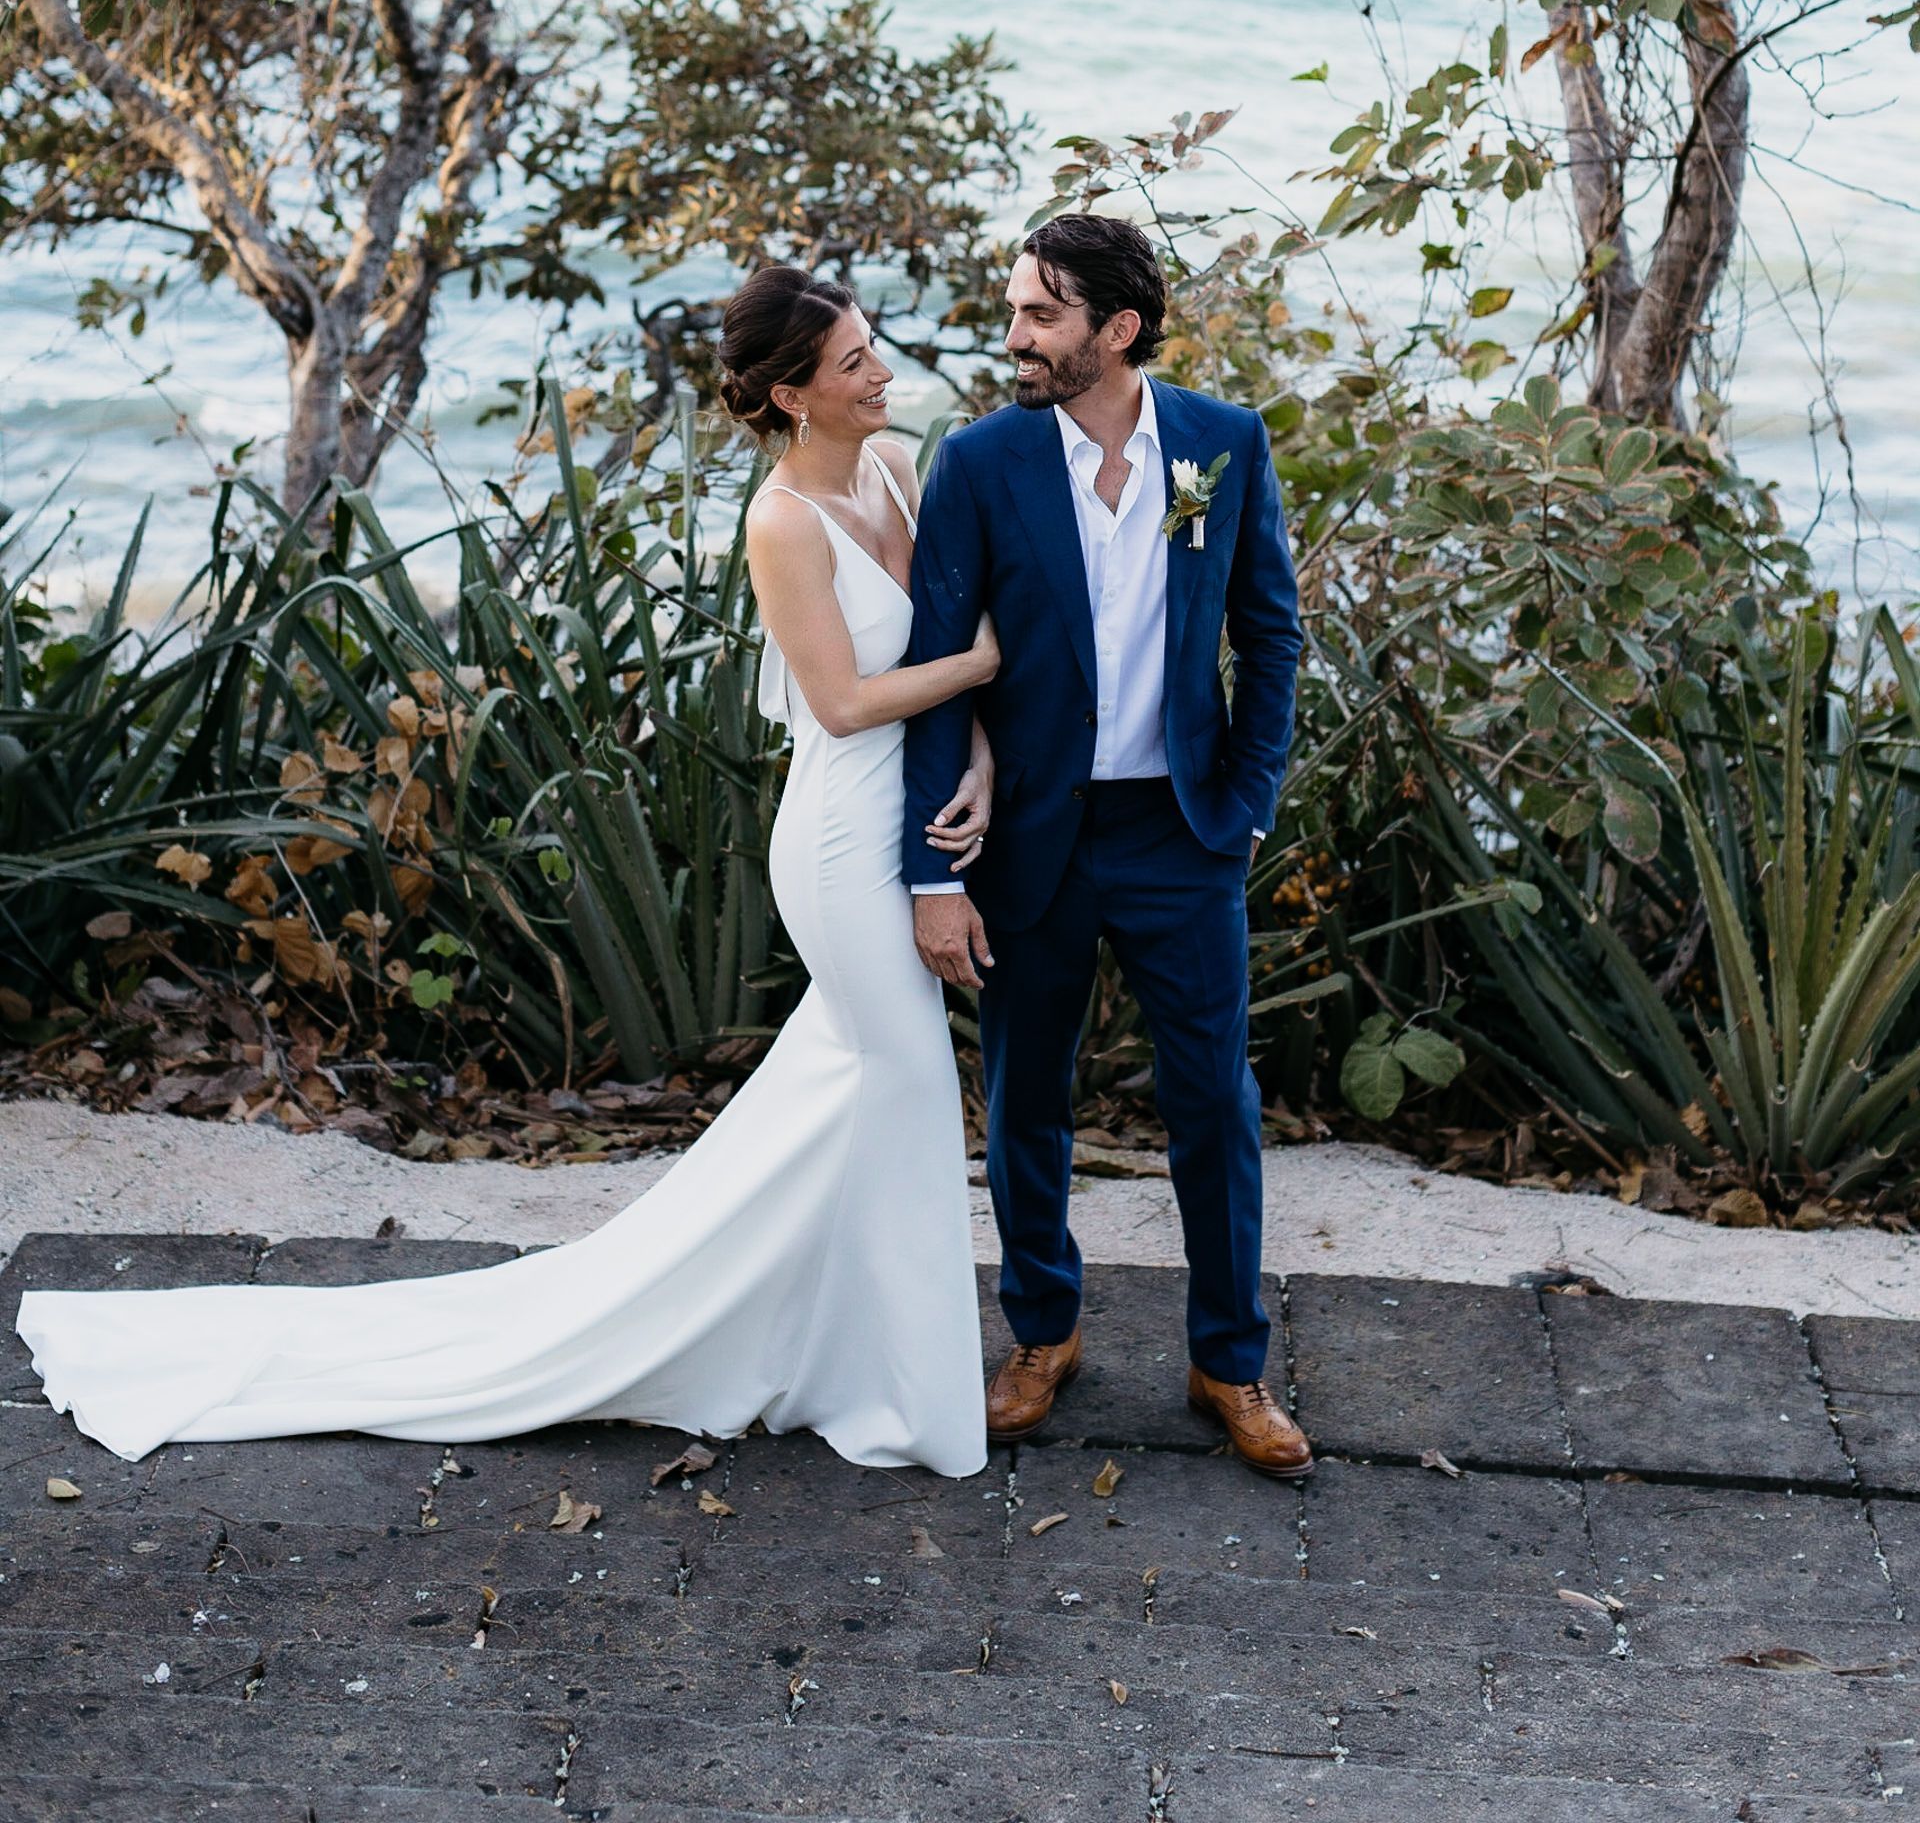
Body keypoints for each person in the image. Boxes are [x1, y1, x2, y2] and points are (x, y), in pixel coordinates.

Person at [17, 266, 996, 1476]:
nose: (881, 371)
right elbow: (844, 703)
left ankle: (813, 1348)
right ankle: (896, 1396)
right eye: (853, 362)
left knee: (859, 1100)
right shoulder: (782, 521)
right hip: (843, 840)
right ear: (793, 395)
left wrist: (984, 754)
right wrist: (985, 665)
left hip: (912, 816)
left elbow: (936, 648)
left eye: (873, 348)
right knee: (900, 1088)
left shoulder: (900, 470)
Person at [903, 213, 1312, 1479]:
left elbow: (1273, 635)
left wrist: (1241, 803)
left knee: (1215, 1106)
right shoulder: (978, 462)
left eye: (1039, 315)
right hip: (1031, 836)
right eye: (1017, 309)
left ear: (1115, 330)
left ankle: (1229, 1361)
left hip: (1179, 833)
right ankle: (1041, 1335)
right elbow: (933, 667)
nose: (1013, 335)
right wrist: (930, 872)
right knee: (1028, 1096)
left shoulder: (1224, 445)